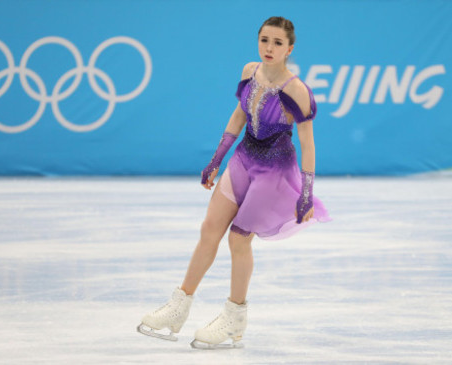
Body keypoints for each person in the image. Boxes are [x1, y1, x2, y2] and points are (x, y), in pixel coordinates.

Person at [137, 16, 331, 349]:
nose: (269, 48)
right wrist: (216, 159)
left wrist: (307, 193)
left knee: (239, 241)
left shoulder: (296, 90)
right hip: (243, 159)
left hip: (273, 172)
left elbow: (308, 144)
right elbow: (240, 115)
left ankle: (234, 318)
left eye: (277, 43)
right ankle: (179, 307)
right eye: (264, 40)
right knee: (210, 228)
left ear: (290, 48)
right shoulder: (249, 71)